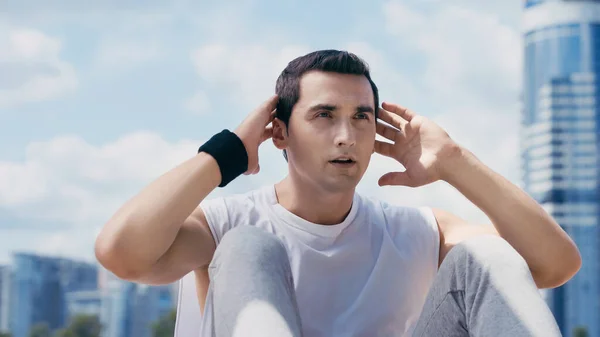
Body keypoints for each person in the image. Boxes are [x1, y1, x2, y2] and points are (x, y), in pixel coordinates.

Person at [95, 50, 581, 337]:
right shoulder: (224, 226)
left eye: (361, 117)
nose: (347, 135)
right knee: (247, 244)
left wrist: (454, 163)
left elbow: (554, 265)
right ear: (279, 133)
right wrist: (226, 155)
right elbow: (123, 254)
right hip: (241, 235)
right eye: (324, 115)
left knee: (486, 254)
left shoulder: (415, 232)